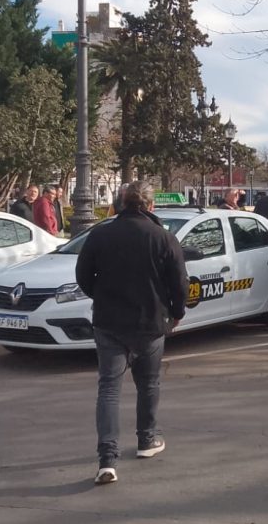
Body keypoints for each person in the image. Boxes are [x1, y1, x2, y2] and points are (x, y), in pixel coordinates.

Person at [75, 181, 188, 486]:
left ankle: (107, 459)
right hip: (150, 322)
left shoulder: (100, 234)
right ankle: (146, 440)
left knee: (109, 389)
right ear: (151, 206)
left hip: (109, 321)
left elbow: (82, 275)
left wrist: (100, 295)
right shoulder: (163, 237)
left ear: (121, 203)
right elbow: (180, 282)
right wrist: (176, 312)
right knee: (148, 383)